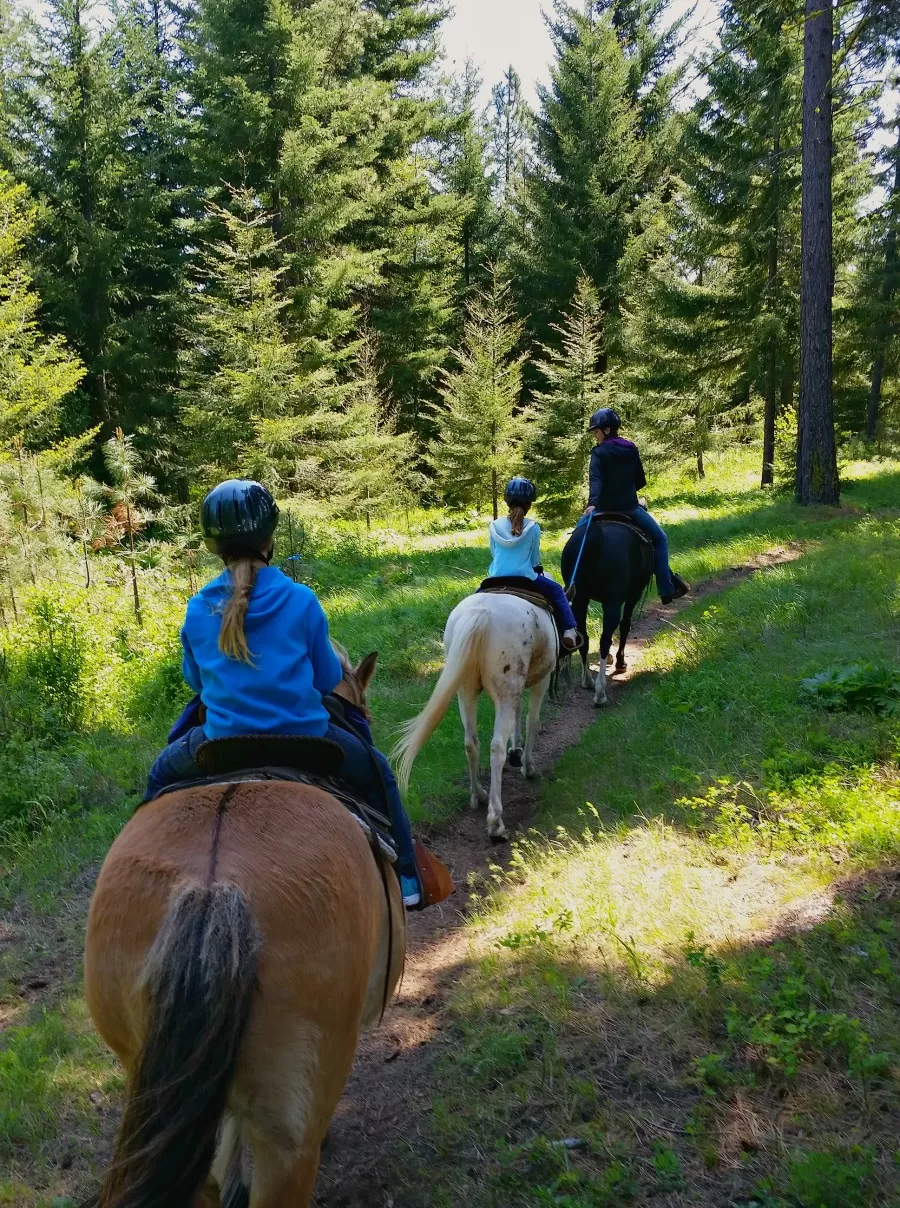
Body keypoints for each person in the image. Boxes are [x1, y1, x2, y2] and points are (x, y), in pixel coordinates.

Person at [145, 478, 424, 908]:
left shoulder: (198, 607)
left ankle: (145, 873)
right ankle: (407, 878)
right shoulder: (301, 599)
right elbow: (325, 678)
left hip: (220, 742)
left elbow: (197, 683)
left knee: (161, 775)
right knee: (379, 773)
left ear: (213, 546)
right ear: (269, 538)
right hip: (308, 741)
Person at [582, 408, 689, 605]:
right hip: (629, 508)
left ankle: (572, 586)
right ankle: (666, 588)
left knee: (577, 539)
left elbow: (596, 481)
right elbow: (639, 481)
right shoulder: (631, 448)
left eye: (595, 431)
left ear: (606, 430)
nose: (594, 436)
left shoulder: (598, 453)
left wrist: (592, 504)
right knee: (660, 539)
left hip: (601, 509)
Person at [487, 477, 580, 650]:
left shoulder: (494, 526)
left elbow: (494, 553)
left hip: (495, 579)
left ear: (507, 501)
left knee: (475, 599)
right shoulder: (533, 527)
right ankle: (569, 631)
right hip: (525, 578)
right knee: (558, 591)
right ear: (529, 504)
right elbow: (534, 560)